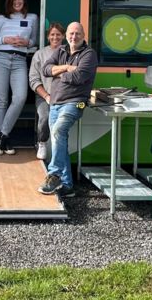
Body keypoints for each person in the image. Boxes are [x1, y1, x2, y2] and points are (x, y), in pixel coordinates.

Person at [39, 22, 98, 198]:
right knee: (59, 140)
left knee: (58, 131)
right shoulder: (61, 51)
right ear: (67, 36)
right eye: (71, 33)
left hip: (77, 102)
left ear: (83, 35)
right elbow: (45, 70)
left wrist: (58, 73)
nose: (74, 37)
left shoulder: (89, 54)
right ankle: (67, 186)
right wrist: (65, 68)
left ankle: (54, 174)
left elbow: (79, 77)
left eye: (77, 34)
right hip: (55, 102)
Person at [0, 0, 38, 156]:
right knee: (1, 100)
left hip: (19, 60)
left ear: (24, 1)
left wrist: (26, 42)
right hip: (0, 58)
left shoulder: (32, 17)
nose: (17, 2)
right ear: (9, 2)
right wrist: (5, 40)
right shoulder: (2, 18)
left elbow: (34, 41)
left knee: (20, 97)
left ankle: (2, 134)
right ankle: (4, 140)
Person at [28, 22, 65, 160]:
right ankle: (42, 142)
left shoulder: (69, 53)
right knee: (44, 117)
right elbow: (33, 79)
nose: (55, 37)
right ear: (48, 37)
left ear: (63, 36)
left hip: (64, 97)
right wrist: (47, 96)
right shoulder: (39, 54)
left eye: (58, 34)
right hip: (44, 96)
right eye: (52, 35)